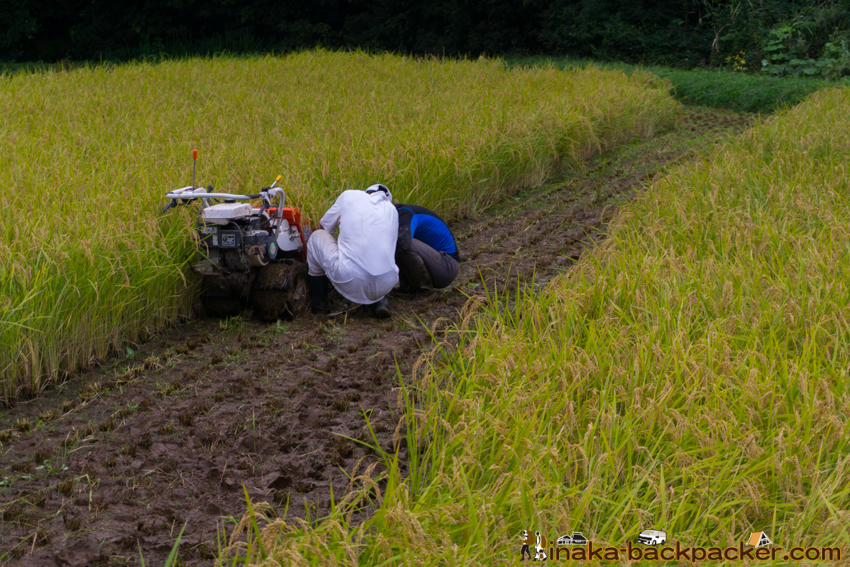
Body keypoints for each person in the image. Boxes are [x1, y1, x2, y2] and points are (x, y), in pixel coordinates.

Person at [307, 184, 398, 318]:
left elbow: (323, 227)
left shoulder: (349, 195)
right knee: (376, 255)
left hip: (350, 279)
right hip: (388, 283)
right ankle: (380, 302)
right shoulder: (392, 211)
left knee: (316, 238)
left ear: (367, 192)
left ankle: (319, 305)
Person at [394, 203, 460, 292]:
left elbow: (403, 244)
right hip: (435, 264)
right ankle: (408, 288)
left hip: (447, 266)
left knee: (401, 242)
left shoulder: (405, 214)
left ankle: (424, 290)